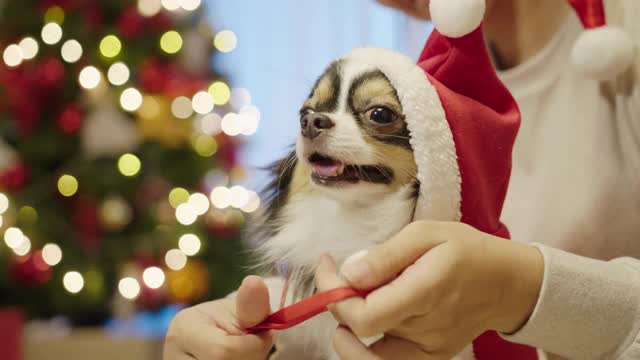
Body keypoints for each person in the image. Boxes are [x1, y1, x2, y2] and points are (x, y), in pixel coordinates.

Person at [164, 1, 640, 359]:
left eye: (377, 114)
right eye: (309, 114)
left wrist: (515, 292)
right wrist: (243, 330)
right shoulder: (419, 72)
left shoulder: (625, 39)